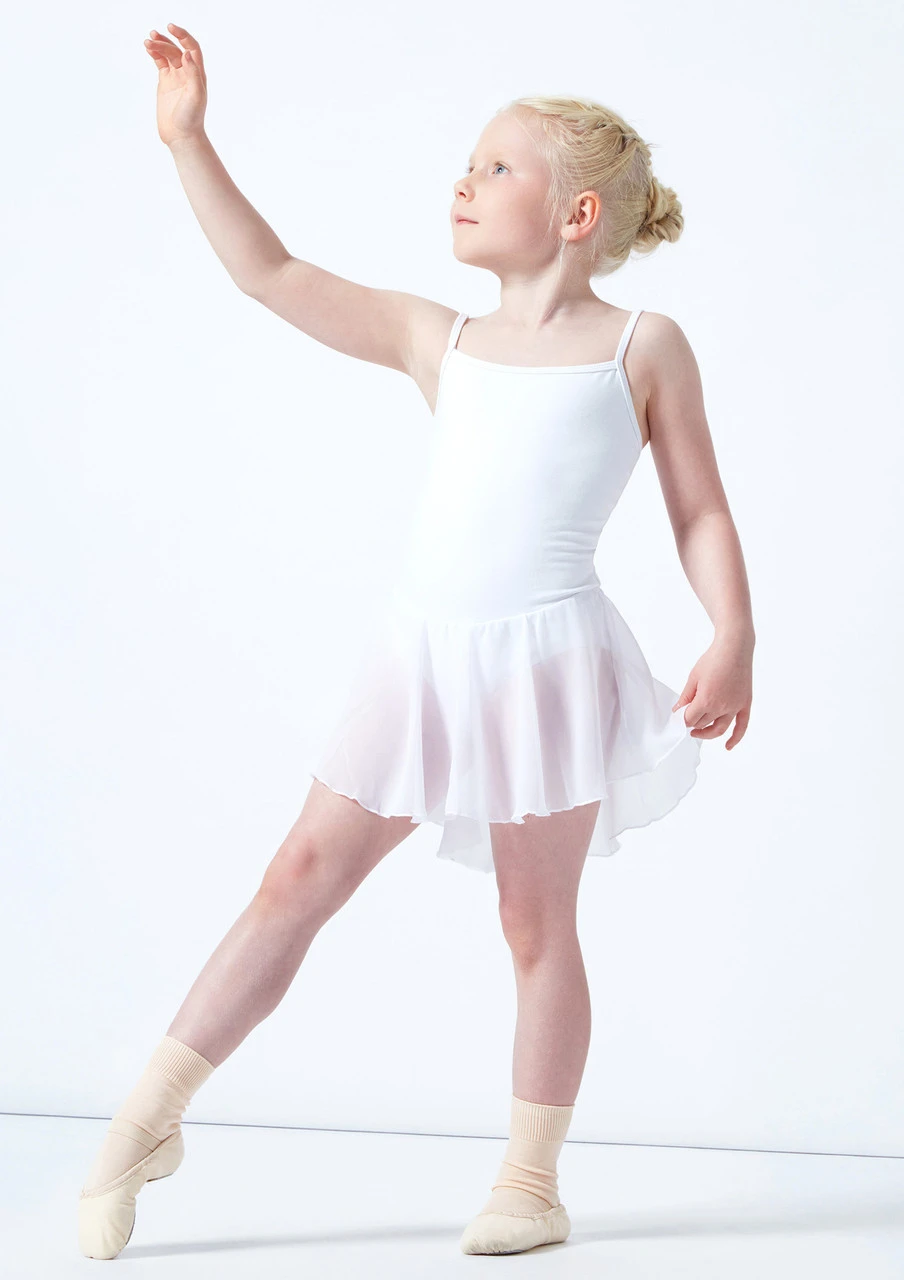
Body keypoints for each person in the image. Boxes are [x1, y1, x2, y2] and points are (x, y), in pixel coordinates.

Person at [77, 21, 756, 1261]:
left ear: (575, 214)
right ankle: (144, 1120)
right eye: (468, 161)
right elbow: (270, 273)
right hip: (421, 656)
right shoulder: (435, 338)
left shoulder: (640, 346)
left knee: (533, 922)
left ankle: (529, 1182)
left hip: (547, 663)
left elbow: (698, 507)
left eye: (496, 167)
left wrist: (734, 628)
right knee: (296, 876)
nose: (464, 179)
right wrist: (189, 143)